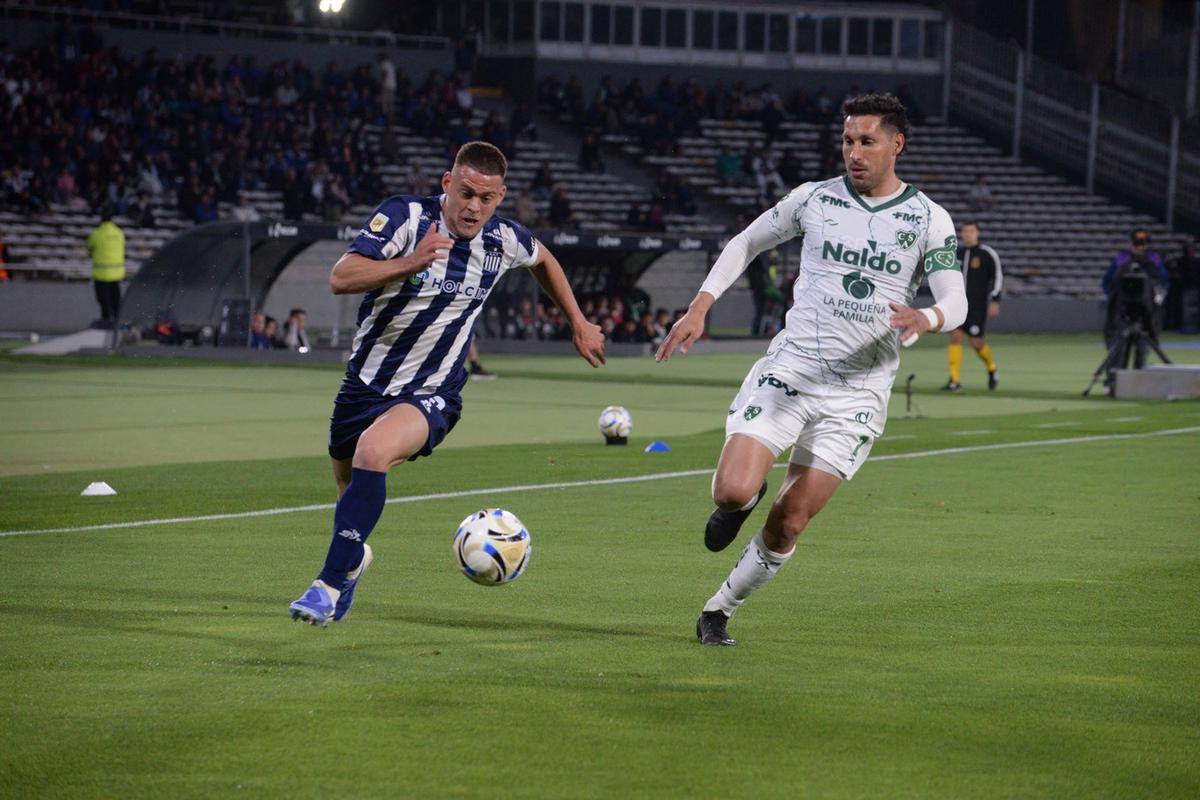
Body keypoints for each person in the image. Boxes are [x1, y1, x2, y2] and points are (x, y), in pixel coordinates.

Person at [656, 93, 967, 647]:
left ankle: (718, 610)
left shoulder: (927, 218)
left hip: (858, 394)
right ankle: (744, 499)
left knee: (791, 521)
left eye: (867, 141)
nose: (854, 152)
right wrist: (700, 305)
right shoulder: (813, 199)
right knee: (730, 492)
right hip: (793, 371)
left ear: (897, 144)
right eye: (848, 140)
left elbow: (956, 300)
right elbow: (746, 241)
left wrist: (929, 316)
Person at [289, 141, 606, 626]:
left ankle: (327, 587)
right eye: (466, 194)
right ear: (447, 184)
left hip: (432, 392)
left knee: (373, 451)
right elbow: (341, 277)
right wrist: (409, 263)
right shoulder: (405, 218)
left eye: (486, 198)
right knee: (348, 493)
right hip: (364, 383)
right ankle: (350, 563)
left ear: (500, 197)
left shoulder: (503, 239)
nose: (474, 207)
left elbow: (544, 260)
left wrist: (577, 322)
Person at [944, 221, 1003, 392]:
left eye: (971, 231)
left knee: (976, 343)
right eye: (965, 231)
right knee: (955, 336)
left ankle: (992, 368)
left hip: (977, 306)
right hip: (957, 304)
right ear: (961, 234)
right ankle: (954, 380)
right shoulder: (957, 253)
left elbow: (997, 277)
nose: (968, 234)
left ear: (977, 233)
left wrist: (995, 300)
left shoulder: (987, 254)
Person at [86, 208, 125, 328]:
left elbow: (89, 247)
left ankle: (106, 320)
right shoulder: (119, 233)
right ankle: (117, 320)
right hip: (116, 273)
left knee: (103, 299)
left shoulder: (96, 234)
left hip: (101, 273)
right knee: (116, 298)